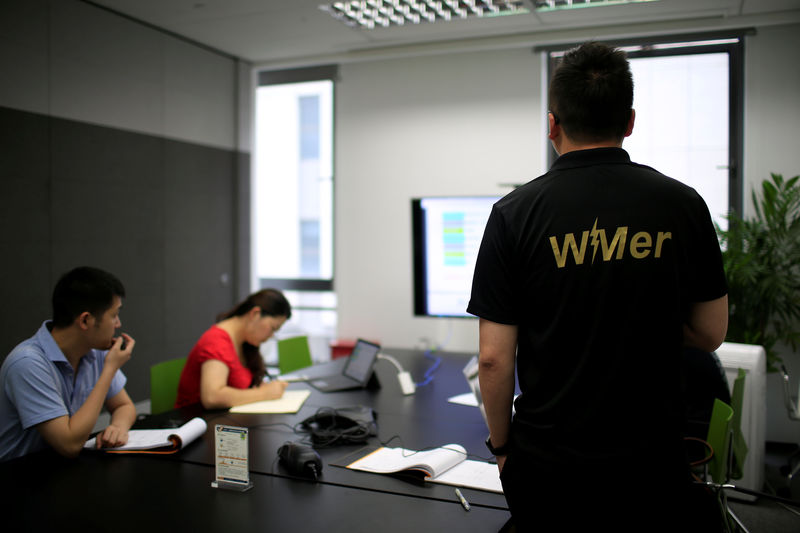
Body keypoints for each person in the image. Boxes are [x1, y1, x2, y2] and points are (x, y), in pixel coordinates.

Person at [468, 42, 729, 531]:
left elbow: (493, 359)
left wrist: (502, 449)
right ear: (629, 122)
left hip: (549, 468)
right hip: (651, 462)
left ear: (552, 125)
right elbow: (711, 332)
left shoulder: (513, 214)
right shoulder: (683, 204)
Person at [0, 266, 137, 461]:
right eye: (114, 315)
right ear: (86, 320)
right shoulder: (27, 363)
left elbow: (124, 406)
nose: (118, 324)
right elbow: (69, 445)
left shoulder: (95, 351)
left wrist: (117, 428)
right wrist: (110, 369)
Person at [175, 289, 291, 409]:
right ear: (255, 314)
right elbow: (212, 397)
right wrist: (264, 394)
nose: (272, 335)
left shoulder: (244, 342)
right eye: (273, 328)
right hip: (197, 421)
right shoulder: (216, 341)